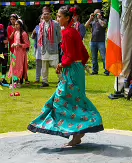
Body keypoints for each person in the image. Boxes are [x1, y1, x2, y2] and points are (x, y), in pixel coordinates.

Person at [27, 5, 104, 147]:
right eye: (57, 16)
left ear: (67, 18)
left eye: (59, 16)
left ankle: (87, 125)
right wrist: (78, 65)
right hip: (77, 70)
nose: (57, 19)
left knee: (60, 100)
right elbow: (84, 54)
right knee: (76, 100)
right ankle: (78, 133)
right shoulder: (73, 32)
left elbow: (71, 55)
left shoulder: (68, 33)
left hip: (71, 71)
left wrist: (62, 65)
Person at [38, 6, 62, 88]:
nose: (46, 16)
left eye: (47, 14)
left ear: (50, 15)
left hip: (53, 48)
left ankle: (61, 80)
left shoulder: (56, 24)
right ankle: (45, 82)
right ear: (42, 15)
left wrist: (54, 43)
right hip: (44, 49)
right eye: (44, 14)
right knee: (44, 67)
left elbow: (59, 36)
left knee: (56, 65)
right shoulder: (41, 24)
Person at [85, 9, 109, 76]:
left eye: (98, 13)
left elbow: (104, 25)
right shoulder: (93, 21)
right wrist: (90, 18)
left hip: (101, 41)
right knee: (94, 57)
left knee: (104, 57)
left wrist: (99, 19)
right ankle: (95, 71)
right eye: (95, 14)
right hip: (93, 42)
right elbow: (85, 26)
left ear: (100, 14)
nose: (96, 15)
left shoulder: (104, 20)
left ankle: (107, 71)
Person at [8, 19, 30, 87]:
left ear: (21, 25)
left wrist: (19, 45)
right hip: (15, 52)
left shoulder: (24, 33)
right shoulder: (16, 32)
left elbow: (27, 44)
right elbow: (15, 42)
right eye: (15, 25)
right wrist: (13, 44)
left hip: (21, 53)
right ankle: (15, 81)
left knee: (19, 66)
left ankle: (20, 82)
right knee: (14, 66)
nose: (15, 26)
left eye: (17, 24)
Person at [31, 15, 43, 83]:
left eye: (43, 18)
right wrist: (33, 33)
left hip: (46, 49)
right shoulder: (37, 27)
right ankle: (37, 79)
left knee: (45, 64)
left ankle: (44, 80)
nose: (42, 19)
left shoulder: (48, 27)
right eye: (41, 18)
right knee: (38, 64)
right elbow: (32, 37)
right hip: (38, 48)